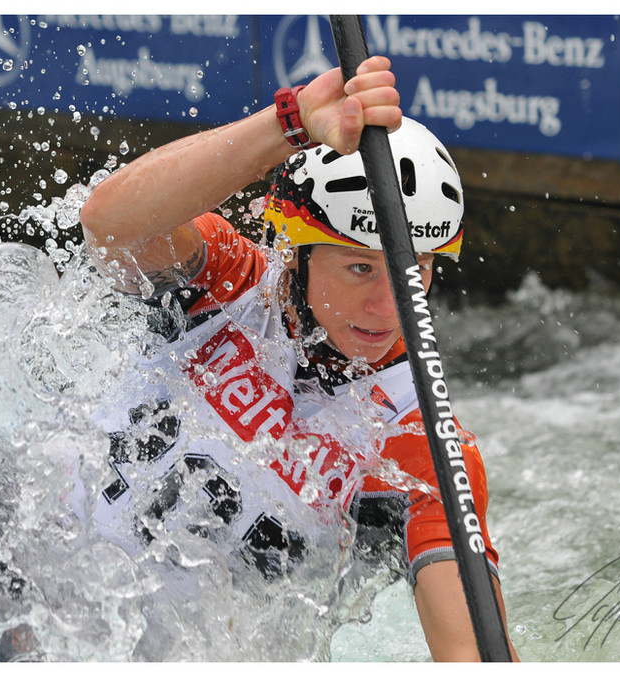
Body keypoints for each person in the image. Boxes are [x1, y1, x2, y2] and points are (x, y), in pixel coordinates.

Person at [78, 55, 518, 661]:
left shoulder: (421, 443)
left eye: (413, 270)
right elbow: (106, 224)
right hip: (34, 560)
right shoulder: (228, 283)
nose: (390, 307)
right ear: (297, 250)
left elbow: (468, 649)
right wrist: (290, 123)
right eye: (362, 268)